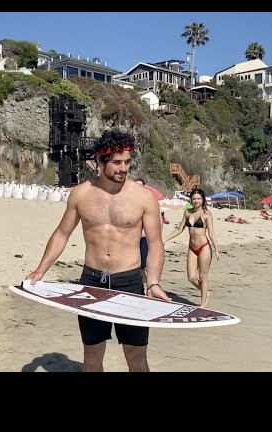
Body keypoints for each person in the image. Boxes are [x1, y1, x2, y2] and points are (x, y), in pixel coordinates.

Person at [26, 129, 170, 372]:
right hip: (91, 284)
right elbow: (62, 233)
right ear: (100, 162)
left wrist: (153, 282)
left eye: (127, 162)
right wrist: (40, 270)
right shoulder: (81, 194)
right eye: (116, 163)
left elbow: (155, 243)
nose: (123, 169)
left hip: (129, 283)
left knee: (136, 358)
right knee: (92, 359)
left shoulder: (144, 198)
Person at [163, 188, 220, 308]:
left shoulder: (206, 214)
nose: (196, 201)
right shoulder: (187, 212)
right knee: (191, 277)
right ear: (191, 200)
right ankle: (206, 291)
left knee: (202, 276)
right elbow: (179, 229)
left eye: (199, 198)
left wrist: (216, 249)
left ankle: (203, 303)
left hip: (204, 247)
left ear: (202, 199)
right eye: (194, 199)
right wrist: (165, 239)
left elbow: (211, 233)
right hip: (192, 248)